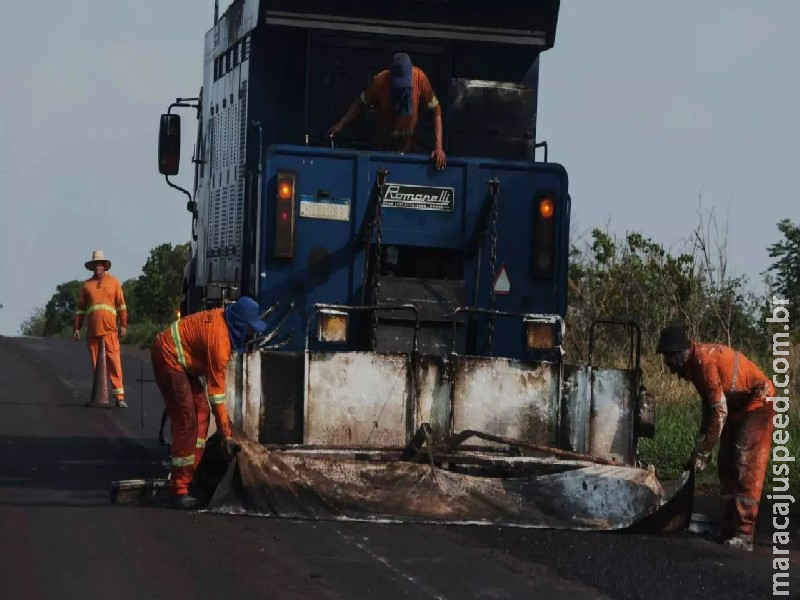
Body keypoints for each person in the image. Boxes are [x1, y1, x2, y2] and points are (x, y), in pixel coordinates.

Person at [656, 325, 775, 551]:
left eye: (668, 358)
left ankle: (744, 534)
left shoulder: (704, 362)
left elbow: (719, 413)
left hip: (759, 401)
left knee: (744, 463)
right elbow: (710, 410)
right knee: (726, 464)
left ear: (679, 354)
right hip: (739, 406)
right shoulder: (695, 367)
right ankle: (729, 528)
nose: (668, 366)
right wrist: (700, 448)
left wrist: (703, 452)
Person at [150, 296, 268, 509]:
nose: (253, 333)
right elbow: (217, 395)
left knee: (201, 412)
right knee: (187, 421)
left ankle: (190, 474)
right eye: (251, 328)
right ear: (241, 325)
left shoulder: (223, 324)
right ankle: (178, 489)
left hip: (180, 360)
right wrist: (226, 434)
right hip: (168, 357)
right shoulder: (219, 341)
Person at [328, 52, 447, 169]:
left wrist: (438, 147)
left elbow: (436, 110)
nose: (402, 90)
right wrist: (341, 123)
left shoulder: (420, 78)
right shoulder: (380, 82)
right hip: (382, 147)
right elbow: (360, 103)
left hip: (409, 148)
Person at [73, 250, 128, 408]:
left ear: (104, 266)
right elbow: (80, 309)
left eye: (100, 264)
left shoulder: (114, 282)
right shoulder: (86, 285)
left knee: (115, 364)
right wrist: (77, 328)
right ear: (92, 267)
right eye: (95, 264)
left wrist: (123, 325)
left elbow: (121, 305)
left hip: (110, 331)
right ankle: (99, 396)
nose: (98, 267)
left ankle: (120, 397)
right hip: (93, 333)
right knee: (97, 366)